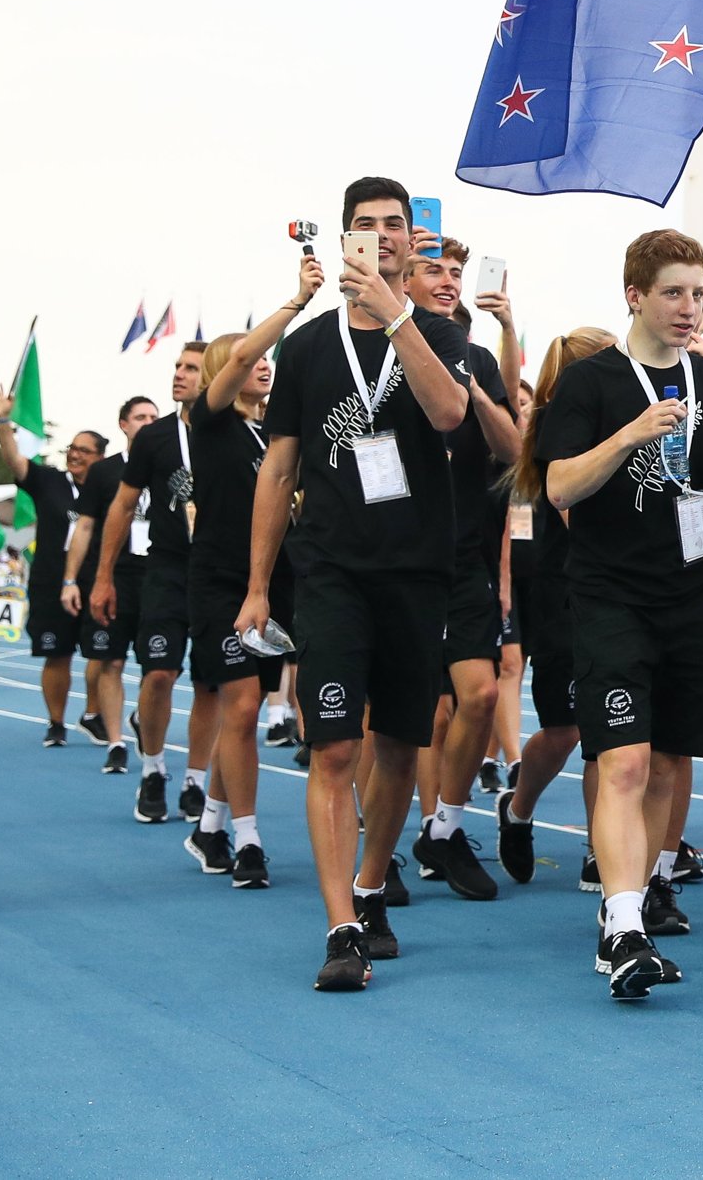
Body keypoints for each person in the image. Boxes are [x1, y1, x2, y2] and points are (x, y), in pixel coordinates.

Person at [238, 177, 473, 993]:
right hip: (332, 568)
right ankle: (341, 925)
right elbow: (278, 469)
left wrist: (399, 314)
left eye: (394, 228)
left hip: (417, 568)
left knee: (402, 743)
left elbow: (448, 415)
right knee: (334, 744)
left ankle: (373, 887)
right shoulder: (305, 348)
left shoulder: (440, 334)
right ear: (344, 243)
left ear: (413, 244)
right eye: (365, 228)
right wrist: (259, 585)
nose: (380, 238)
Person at [535, 229, 703, 1000]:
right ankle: (622, 921)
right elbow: (560, 486)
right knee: (625, 760)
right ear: (634, 294)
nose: (688, 306)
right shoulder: (592, 382)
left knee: (670, 759)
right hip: (610, 596)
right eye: (673, 291)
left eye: (697, 292)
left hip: (692, 595)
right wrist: (630, 432)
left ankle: (650, 884)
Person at [178, 248, 325, 891]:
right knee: (239, 706)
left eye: (270, 358)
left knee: (249, 706)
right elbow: (239, 356)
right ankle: (247, 838)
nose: (262, 364)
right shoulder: (207, 423)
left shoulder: (275, 435)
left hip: (278, 585)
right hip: (220, 584)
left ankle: (210, 820)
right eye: (253, 358)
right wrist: (293, 305)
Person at [399, 237, 520, 903]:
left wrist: (474, 389)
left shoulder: (473, 359)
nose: (448, 279)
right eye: (432, 268)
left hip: (464, 558)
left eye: (455, 270)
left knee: (477, 695)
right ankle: (383, 852)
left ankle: (443, 828)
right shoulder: (374, 350)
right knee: (402, 714)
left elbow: (515, 451)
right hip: (392, 559)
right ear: (401, 276)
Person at [494, 328, 618, 889]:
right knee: (565, 730)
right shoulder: (554, 424)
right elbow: (576, 513)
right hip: (563, 592)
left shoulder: (622, 418)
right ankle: (518, 809)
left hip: (616, 591)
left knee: (608, 730)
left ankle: (601, 848)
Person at [91, 346, 208, 825]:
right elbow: (121, 506)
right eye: (177, 366)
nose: (177, 374)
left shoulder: (237, 433)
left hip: (220, 574)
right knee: (160, 672)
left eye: (190, 368)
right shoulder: (155, 438)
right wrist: (102, 577)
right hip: (166, 568)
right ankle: (153, 768)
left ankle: (197, 779)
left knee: (213, 683)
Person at [0, 387, 98, 746]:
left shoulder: (111, 484)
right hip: (51, 582)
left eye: (84, 450)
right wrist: (4, 420)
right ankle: (56, 722)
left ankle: (94, 713)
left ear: (100, 457)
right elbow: (15, 461)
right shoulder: (49, 480)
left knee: (104, 656)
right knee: (57, 654)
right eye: (72, 449)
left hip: (98, 582)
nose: (75, 455)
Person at [63, 395, 157, 774]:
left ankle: (142, 717)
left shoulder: (171, 466)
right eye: (140, 417)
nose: (148, 422)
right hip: (114, 577)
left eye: (154, 416)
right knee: (111, 660)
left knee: (158, 667)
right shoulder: (104, 473)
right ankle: (117, 742)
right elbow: (84, 527)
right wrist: (71, 579)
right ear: (123, 424)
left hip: (158, 576)